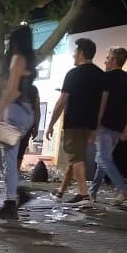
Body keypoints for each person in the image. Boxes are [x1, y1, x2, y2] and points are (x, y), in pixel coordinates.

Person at [0, 25, 37, 219]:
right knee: (6, 157)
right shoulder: (29, 61)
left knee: (6, 159)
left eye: (9, 39)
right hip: (25, 112)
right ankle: (18, 195)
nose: (7, 43)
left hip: (15, 111)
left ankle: (11, 202)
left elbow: (12, 90)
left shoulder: (17, 59)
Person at [45, 37, 103, 204]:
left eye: (75, 52)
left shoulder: (73, 74)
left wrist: (51, 124)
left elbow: (62, 101)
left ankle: (83, 194)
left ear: (82, 53)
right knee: (75, 157)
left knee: (76, 158)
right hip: (90, 123)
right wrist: (96, 126)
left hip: (74, 122)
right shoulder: (100, 75)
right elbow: (103, 102)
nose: (73, 55)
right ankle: (60, 192)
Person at [91, 46, 127, 205]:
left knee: (103, 158)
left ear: (114, 60)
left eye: (108, 57)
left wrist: (95, 124)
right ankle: (92, 193)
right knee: (104, 159)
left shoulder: (106, 77)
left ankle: (122, 189)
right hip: (119, 126)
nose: (105, 60)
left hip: (105, 124)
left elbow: (102, 101)